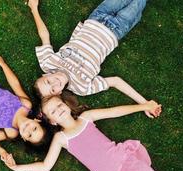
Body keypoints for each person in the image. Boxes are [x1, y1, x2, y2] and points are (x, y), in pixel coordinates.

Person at [5, 96, 178, 171]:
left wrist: (144, 106)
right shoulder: (61, 138)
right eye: (53, 111)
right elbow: (45, 166)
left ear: (66, 104)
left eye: (59, 105)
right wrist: (16, 167)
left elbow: (114, 111)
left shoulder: (86, 118)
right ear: (52, 121)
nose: (58, 110)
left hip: (128, 164)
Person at [28, 0, 156, 118]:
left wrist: (34, 8)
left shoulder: (47, 63)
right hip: (116, 30)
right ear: (59, 94)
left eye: (48, 82)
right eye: (53, 90)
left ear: (45, 74)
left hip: (96, 18)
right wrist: (144, 103)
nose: (55, 83)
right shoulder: (82, 87)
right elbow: (115, 81)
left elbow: (44, 36)